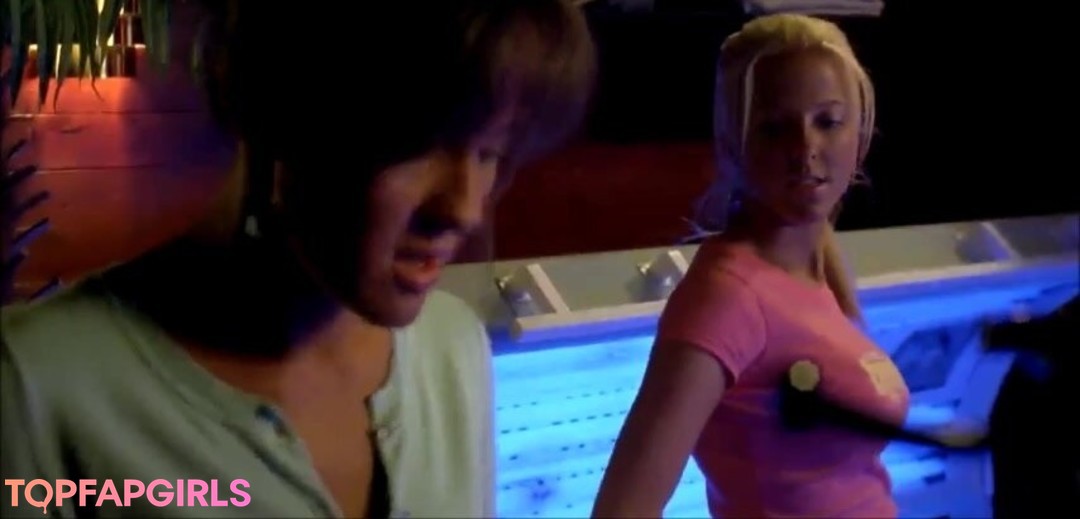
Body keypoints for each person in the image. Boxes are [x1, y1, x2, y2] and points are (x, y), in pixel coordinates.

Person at [1, 0, 595, 517]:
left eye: (492, 151)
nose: (463, 209)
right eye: (416, 143)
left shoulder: (454, 349)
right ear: (283, 112)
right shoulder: (36, 384)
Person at [592, 13, 909, 518]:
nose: (805, 149)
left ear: (861, 134)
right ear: (734, 143)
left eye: (827, 121)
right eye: (775, 128)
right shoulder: (729, 294)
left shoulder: (816, 280)